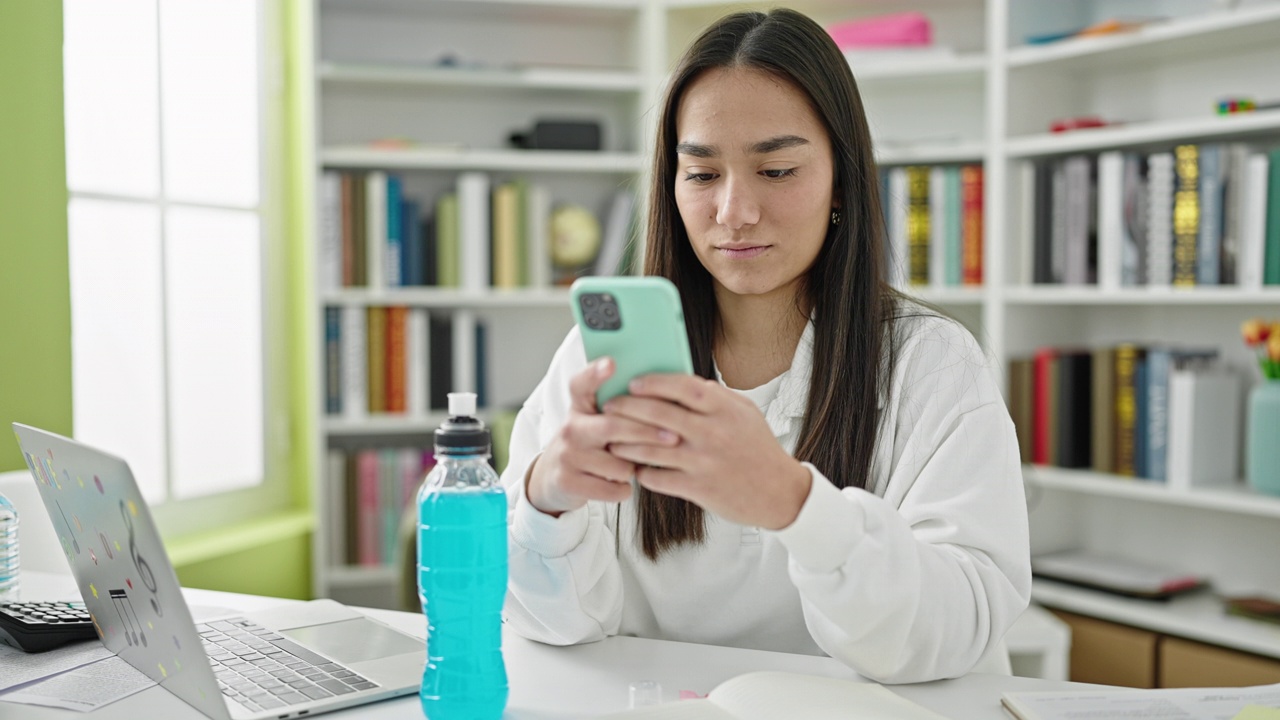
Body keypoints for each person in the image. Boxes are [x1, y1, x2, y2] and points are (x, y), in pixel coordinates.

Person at [499, 8, 1030, 684]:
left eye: (776, 171)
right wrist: (547, 497)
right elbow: (555, 623)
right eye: (701, 174)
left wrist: (794, 504)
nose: (734, 212)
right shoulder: (597, 357)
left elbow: (954, 630)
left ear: (842, 177)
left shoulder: (932, 364)